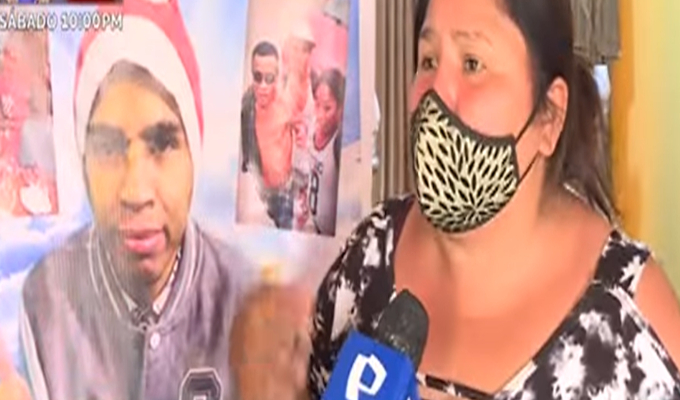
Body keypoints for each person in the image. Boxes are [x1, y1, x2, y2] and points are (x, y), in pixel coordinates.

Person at [230, 0, 680, 399]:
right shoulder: (369, 254)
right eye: (428, 60)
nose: (436, 95)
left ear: (549, 115)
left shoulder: (634, 320)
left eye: (472, 63)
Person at [8, 1, 254, 400]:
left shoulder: (246, 299)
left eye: (163, 144)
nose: (136, 193)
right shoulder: (48, 298)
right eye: (108, 148)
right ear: (83, 161)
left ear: (194, 154)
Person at [239, 32, 313, 230]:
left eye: (269, 78)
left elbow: (302, 119)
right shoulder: (247, 103)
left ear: (277, 75)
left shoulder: (285, 103)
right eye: (257, 77)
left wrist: (301, 133)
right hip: (260, 190)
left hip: (283, 193)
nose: (263, 86)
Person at [299, 68, 344, 236]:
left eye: (327, 108)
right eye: (317, 104)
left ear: (340, 109)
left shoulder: (338, 144)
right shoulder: (312, 127)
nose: (320, 114)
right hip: (313, 227)